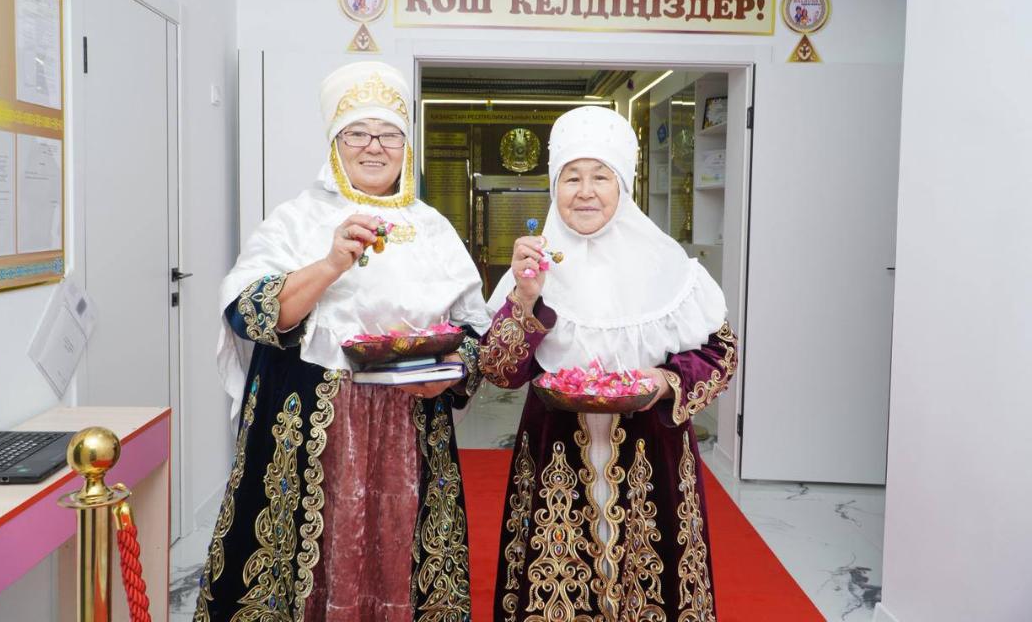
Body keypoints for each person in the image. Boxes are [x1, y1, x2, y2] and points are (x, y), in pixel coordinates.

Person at [195, 61, 490, 622]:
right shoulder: (296, 219)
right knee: (307, 565)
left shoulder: (433, 228)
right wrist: (331, 263)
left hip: (410, 423)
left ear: (406, 147)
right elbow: (246, 312)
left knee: (399, 556)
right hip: (312, 419)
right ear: (334, 142)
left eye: (388, 134)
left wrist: (451, 372)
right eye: (357, 132)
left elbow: (475, 334)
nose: (373, 147)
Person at [480, 105, 738, 622]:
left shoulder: (669, 264)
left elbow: (721, 353)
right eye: (571, 177)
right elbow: (499, 371)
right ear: (554, 186)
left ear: (623, 186)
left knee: (653, 586)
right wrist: (525, 298)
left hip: (652, 457)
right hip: (556, 456)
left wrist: (665, 380)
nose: (585, 192)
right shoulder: (531, 266)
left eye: (601, 177)